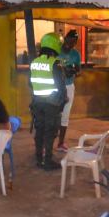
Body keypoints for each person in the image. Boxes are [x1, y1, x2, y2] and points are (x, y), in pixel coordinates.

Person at [30, 32, 67, 170]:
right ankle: (48, 161)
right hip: (52, 104)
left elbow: (30, 83)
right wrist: (63, 101)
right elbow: (60, 86)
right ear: (55, 45)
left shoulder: (34, 62)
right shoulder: (54, 63)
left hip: (37, 102)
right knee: (50, 132)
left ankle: (39, 159)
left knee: (39, 130)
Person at [56, 30, 81, 152]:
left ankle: (61, 143)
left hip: (69, 86)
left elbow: (79, 70)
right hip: (56, 87)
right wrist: (62, 70)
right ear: (65, 39)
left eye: (74, 43)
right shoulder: (56, 51)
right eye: (70, 41)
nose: (71, 44)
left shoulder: (76, 54)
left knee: (65, 116)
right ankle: (47, 144)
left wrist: (74, 71)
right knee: (53, 114)